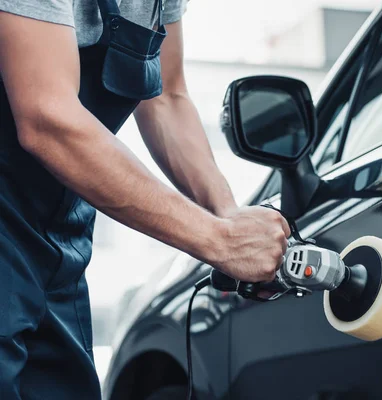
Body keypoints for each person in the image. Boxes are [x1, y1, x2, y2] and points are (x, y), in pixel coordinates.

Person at [0, 0, 290, 398]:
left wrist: (229, 215)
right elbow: (46, 119)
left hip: (57, 247)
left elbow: (166, 97)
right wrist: (218, 241)